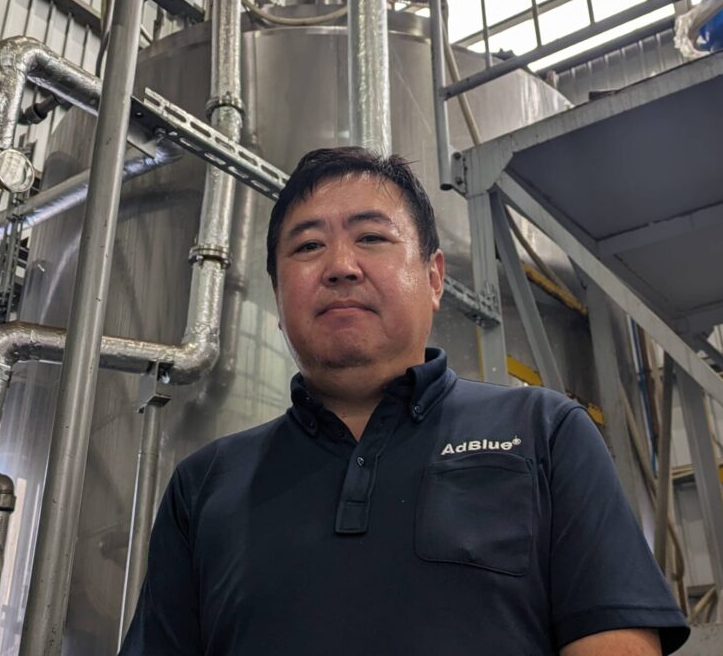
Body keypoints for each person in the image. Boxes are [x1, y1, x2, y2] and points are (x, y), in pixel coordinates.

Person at [119, 146, 690, 656]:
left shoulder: (544, 430)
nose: (341, 267)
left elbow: (613, 639)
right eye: (309, 246)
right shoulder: (206, 483)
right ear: (278, 294)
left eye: (371, 237)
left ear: (435, 277)